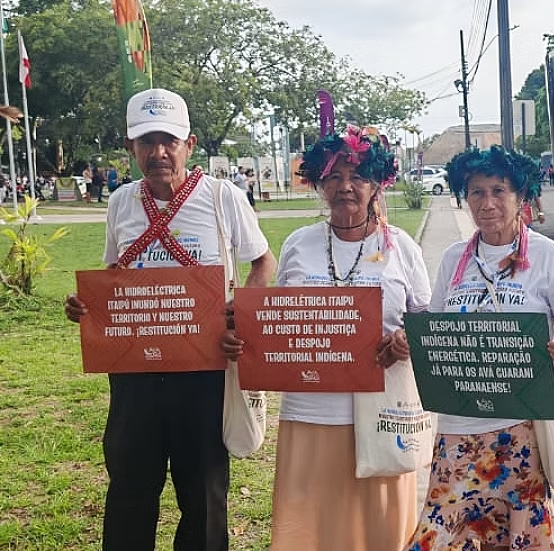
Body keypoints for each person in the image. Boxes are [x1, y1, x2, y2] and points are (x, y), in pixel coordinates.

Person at [63, 88, 277, 551]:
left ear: (190, 143)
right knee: (129, 486)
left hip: (203, 371)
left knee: (202, 494)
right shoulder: (121, 202)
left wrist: (241, 314)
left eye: (169, 140)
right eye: (147, 141)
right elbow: (112, 275)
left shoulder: (223, 198)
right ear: (130, 147)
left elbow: (263, 263)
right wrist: (87, 305)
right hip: (134, 372)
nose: (159, 151)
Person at [223, 125, 429, 551]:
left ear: (377, 184)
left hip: (382, 415)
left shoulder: (402, 248)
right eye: (333, 177)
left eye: (357, 177)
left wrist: (408, 341)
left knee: (381, 533)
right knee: (310, 532)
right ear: (319, 184)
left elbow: (427, 324)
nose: (346, 187)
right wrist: (242, 333)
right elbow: (276, 325)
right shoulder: (300, 244)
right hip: (309, 414)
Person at [404, 145, 554, 551]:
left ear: (521, 196)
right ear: (464, 197)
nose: (487, 203)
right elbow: (435, 332)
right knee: (442, 535)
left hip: (521, 429)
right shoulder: (455, 259)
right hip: (457, 426)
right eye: (476, 192)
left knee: (515, 536)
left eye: (499, 191)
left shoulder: (548, 256)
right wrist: (411, 340)